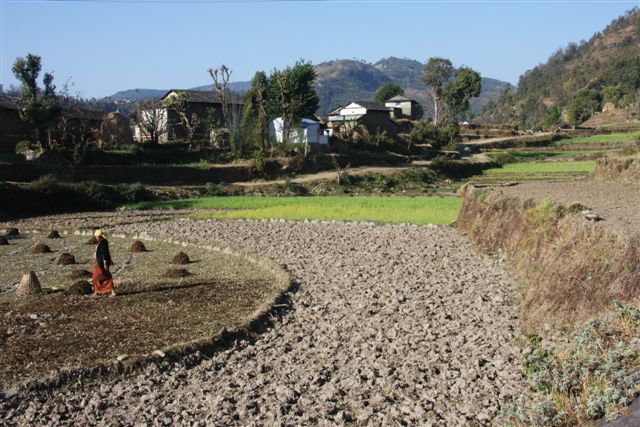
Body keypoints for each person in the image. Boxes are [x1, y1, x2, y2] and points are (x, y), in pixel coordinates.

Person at [92, 229, 116, 297]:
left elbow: (104, 253)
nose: (96, 238)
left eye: (97, 236)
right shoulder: (101, 242)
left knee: (100, 276)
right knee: (99, 276)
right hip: (99, 262)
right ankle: (97, 291)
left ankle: (98, 292)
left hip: (101, 263)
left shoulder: (103, 242)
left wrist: (105, 262)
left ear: (100, 236)